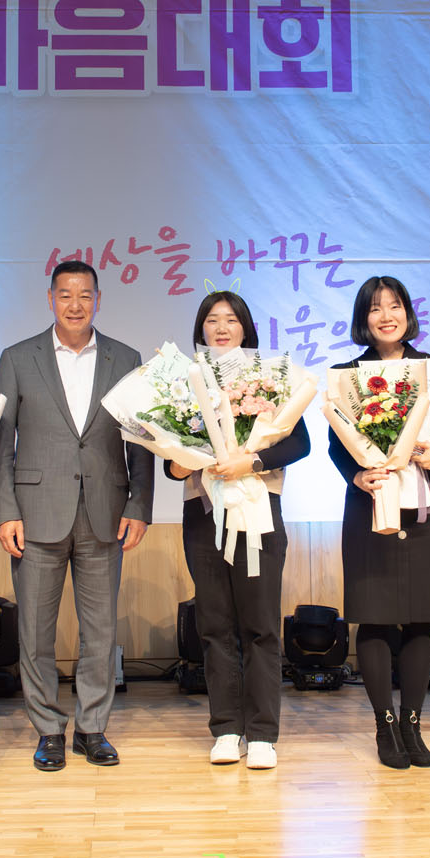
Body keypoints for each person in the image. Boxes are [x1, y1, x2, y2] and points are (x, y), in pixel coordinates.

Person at [0, 261, 154, 771]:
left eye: (85, 295)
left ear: (98, 299)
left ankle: (92, 728)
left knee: (99, 632)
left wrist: (139, 505)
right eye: (65, 295)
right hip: (35, 513)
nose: (75, 305)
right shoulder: (18, 358)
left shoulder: (126, 358)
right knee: (35, 632)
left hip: (105, 511)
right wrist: (5, 510)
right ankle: (47, 730)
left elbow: (141, 440)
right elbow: (0, 443)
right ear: (50, 299)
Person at [165, 291, 310, 770]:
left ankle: (263, 733)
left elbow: (300, 443)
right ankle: (227, 729)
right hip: (203, 512)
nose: (222, 327)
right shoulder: (185, 383)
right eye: (212, 320)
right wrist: (181, 458)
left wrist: (252, 461)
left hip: (259, 509)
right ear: (201, 330)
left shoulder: (271, 379)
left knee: (261, 625)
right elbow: (170, 464)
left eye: (231, 319)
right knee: (215, 625)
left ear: (245, 328)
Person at [326, 275, 430, 770]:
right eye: (375, 308)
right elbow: (336, 445)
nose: (386, 316)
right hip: (371, 504)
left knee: (423, 616)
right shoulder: (345, 374)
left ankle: (413, 724)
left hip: (425, 504)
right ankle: (385, 725)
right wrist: (357, 475)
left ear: (408, 312)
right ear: (363, 319)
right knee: (376, 614)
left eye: (395, 306)